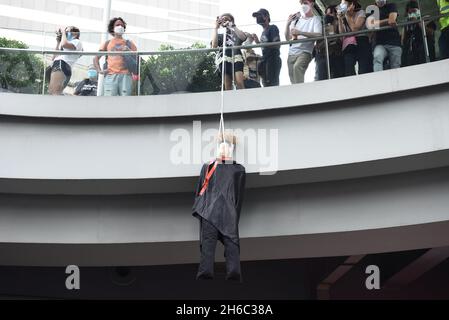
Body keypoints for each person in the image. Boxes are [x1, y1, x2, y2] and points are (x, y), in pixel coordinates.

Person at [192, 133, 246, 281]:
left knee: (230, 243)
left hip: (223, 211)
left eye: (226, 147)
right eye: (221, 147)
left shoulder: (238, 169)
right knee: (210, 243)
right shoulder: (208, 166)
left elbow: (238, 194)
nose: (223, 150)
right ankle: (206, 271)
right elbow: (201, 189)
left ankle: (233, 272)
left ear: (231, 149)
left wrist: (235, 215)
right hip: (213, 211)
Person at [93, 17, 138, 96]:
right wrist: (99, 70)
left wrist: (129, 51)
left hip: (126, 75)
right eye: (117, 25)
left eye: (122, 25)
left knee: (125, 101)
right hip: (110, 75)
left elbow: (137, 59)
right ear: (112, 28)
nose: (120, 27)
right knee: (109, 100)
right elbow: (95, 58)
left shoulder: (130, 43)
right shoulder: (107, 43)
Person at [285, 0, 322, 84]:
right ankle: (296, 94)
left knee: (297, 67)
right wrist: (287, 24)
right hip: (291, 53)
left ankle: (300, 92)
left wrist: (301, 33)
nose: (303, 5)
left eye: (305, 3)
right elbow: (288, 38)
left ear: (312, 4)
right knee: (293, 79)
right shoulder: (296, 20)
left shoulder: (315, 19)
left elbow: (319, 35)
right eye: (301, 3)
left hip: (305, 52)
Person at [336, 0, 373, 76]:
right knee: (348, 65)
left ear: (351, 5)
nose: (341, 5)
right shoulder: (344, 16)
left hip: (362, 41)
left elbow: (355, 29)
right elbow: (342, 33)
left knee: (364, 69)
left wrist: (348, 16)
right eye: (341, 4)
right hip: (349, 44)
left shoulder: (361, 12)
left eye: (344, 3)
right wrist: (340, 19)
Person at [212, 13, 247, 90]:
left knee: (239, 82)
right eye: (223, 19)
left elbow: (243, 37)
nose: (225, 21)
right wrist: (216, 28)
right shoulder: (220, 35)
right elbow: (214, 46)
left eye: (227, 19)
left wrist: (232, 25)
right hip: (224, 57)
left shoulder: (236, 32)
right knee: (227, 85)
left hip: (236, 56)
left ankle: (244, 99)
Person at [48, 26, 83, 95]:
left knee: (55, 91)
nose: (66, 34)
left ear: (75, 34)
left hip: (62, 65)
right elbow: (54, 57)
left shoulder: (77, 42)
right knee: (52, 91)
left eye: (67, 32)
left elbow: (64, 44)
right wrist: (58, 42)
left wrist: (63, 32)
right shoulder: (67, 47)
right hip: (58, 64)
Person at [251, 8, 282, 87]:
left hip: (272, 60)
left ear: (266, 16)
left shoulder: (272, 28)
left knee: (272, 84)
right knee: (266, 85)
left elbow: (277, 44)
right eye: (257, 17)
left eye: (259, 16)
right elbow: (266, 45)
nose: (258, 18)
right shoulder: (263, 32)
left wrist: (262, 44)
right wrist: (258, 42)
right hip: (265, 60)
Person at [402, 0, 437, 66]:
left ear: (418, 10)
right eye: (410, 13)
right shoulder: (408, 25)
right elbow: (403, 40)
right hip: (413, 55)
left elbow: (430, 32)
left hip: (425, 51)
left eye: (414, 11)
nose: (412, 14)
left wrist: (419, 22)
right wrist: (406, 26)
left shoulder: (426, 19)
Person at [315, 5, 345, 80]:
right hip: (323, 55)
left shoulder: (339, 23)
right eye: (327, 13)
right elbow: (318, 44)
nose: (328, 15)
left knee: (338, 78)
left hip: (337, 54)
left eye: (331, 13)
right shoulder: (321, 27)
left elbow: (342, 37)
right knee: (322, 78)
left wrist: (339, 20)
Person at [371, 0, 402, 72]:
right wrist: (387, 20)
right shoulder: (372, 10)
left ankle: (396, 82)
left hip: (394, 42)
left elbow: (391, 20)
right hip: (379, 43)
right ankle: (380, 80)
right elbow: (371, 25)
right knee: (377, 58)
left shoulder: (392, 5)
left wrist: (377, 23)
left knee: (395, 66)